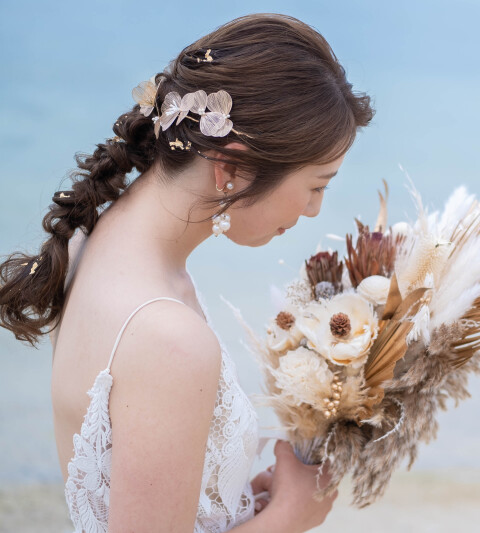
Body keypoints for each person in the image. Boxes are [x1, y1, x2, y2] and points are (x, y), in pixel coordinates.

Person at [0, 13, 374, 533]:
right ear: (231, 167)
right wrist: (291, 516)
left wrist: (232, 500)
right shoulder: (168, 338)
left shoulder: (96, 241)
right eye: (317, 185)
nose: (314, 210)